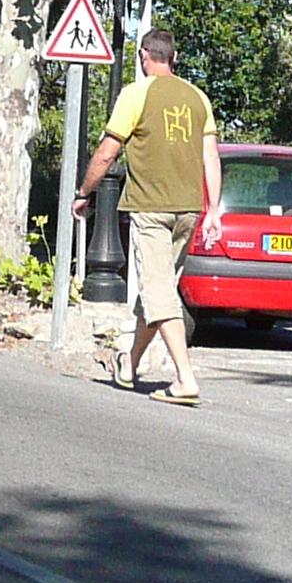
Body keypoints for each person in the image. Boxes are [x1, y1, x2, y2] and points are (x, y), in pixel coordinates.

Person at [80, 27, 222, 404]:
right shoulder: (198, 98)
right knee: (157, 292)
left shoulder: (135, 94)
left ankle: (185, 379)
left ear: (144, 56)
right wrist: (214, 212)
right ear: (173, 57)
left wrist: (84, 193)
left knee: (159, 292)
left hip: (151, 208)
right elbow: (211, 157)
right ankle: (130, 362)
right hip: (189, 210)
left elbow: (107, 153)